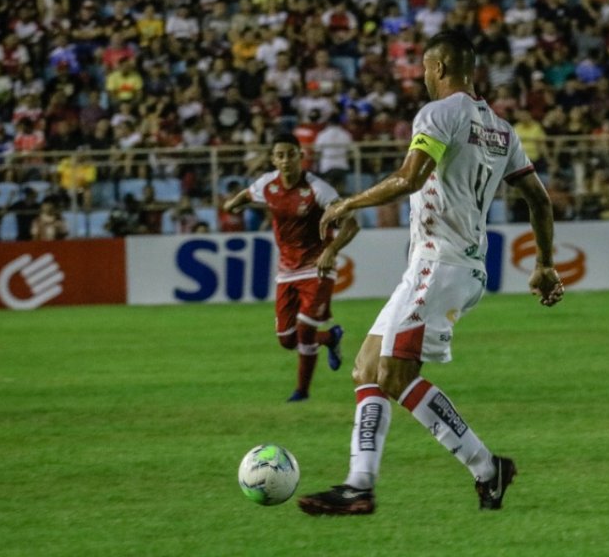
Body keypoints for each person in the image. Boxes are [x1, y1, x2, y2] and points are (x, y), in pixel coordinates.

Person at [296, 31, 564, 517]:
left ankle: (486, 467)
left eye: (424, 69)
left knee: (395, 374)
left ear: (438, 67)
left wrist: (347, 202)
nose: (422, 77)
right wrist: (544, 264)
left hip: (440, 264)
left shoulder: (439, 113)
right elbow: (539, 200)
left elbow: (409, 178)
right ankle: (360, 484)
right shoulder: (501, 129)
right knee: (367, 368)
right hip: (449, 264)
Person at [223, 132, 359, 402]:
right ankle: (330, 337)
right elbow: (247, 194)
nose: (286, 160)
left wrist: (331, 250)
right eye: (280, 155)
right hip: (286, 271)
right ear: (273, 159)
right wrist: (232, 205)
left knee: (305, 328)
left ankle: (302, 392)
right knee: (286, 339)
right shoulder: (267, 184)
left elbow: (351, 224)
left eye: (291, 154)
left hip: (317, 267)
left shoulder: (318, 190)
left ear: (301, 156)